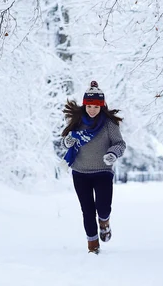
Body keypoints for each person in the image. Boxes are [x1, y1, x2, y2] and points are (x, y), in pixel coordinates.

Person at [61, 81, 126, 254]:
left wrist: (113, 153)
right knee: (87, 210)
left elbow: (120, 143)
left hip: (103, 172)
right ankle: (93, 246)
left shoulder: (109, 124)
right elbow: (67, 140)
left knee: (103, 208)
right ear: (85, 105)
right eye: (89, 106)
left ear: (102, 106)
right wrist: (67, 141)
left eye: (96, 107)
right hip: (80, 172)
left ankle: (104, 222)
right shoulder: (76, 122)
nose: (92, 110)